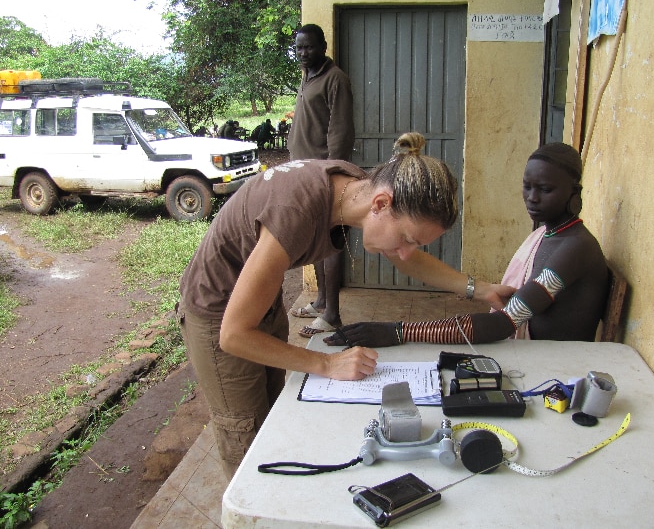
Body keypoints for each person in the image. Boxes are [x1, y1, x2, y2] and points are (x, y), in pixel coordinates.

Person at [177, 132, 514, 478]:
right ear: (381, 204)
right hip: (217, 310)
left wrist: (480, 289)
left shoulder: (357, 189)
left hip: (260, 303)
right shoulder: (295, 211)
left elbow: (407, 260)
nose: (403, 251)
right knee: (245, 435)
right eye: (407, 239)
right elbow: (234, 335)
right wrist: (326, 364)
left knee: (271, 413)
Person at [324, 142, 608, 349]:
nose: (532, 198)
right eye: (527, 186)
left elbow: (503, 324)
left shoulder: (575, 249)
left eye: (545, 190)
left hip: (560, 367)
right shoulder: (548, 235)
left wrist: (398, 331)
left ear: (575, 192)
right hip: (533, 355)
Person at [287, 23, 356, 339]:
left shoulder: (335, 79)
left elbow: (340, 132)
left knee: (330, 241)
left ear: (324, 46)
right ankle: (320, 301)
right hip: (302, 173)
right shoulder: (307, 76)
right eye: (299, 48)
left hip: (323, 176)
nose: (304, 53)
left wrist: (331, 175)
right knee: (315, 239)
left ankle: (332, 315)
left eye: (310, 47)